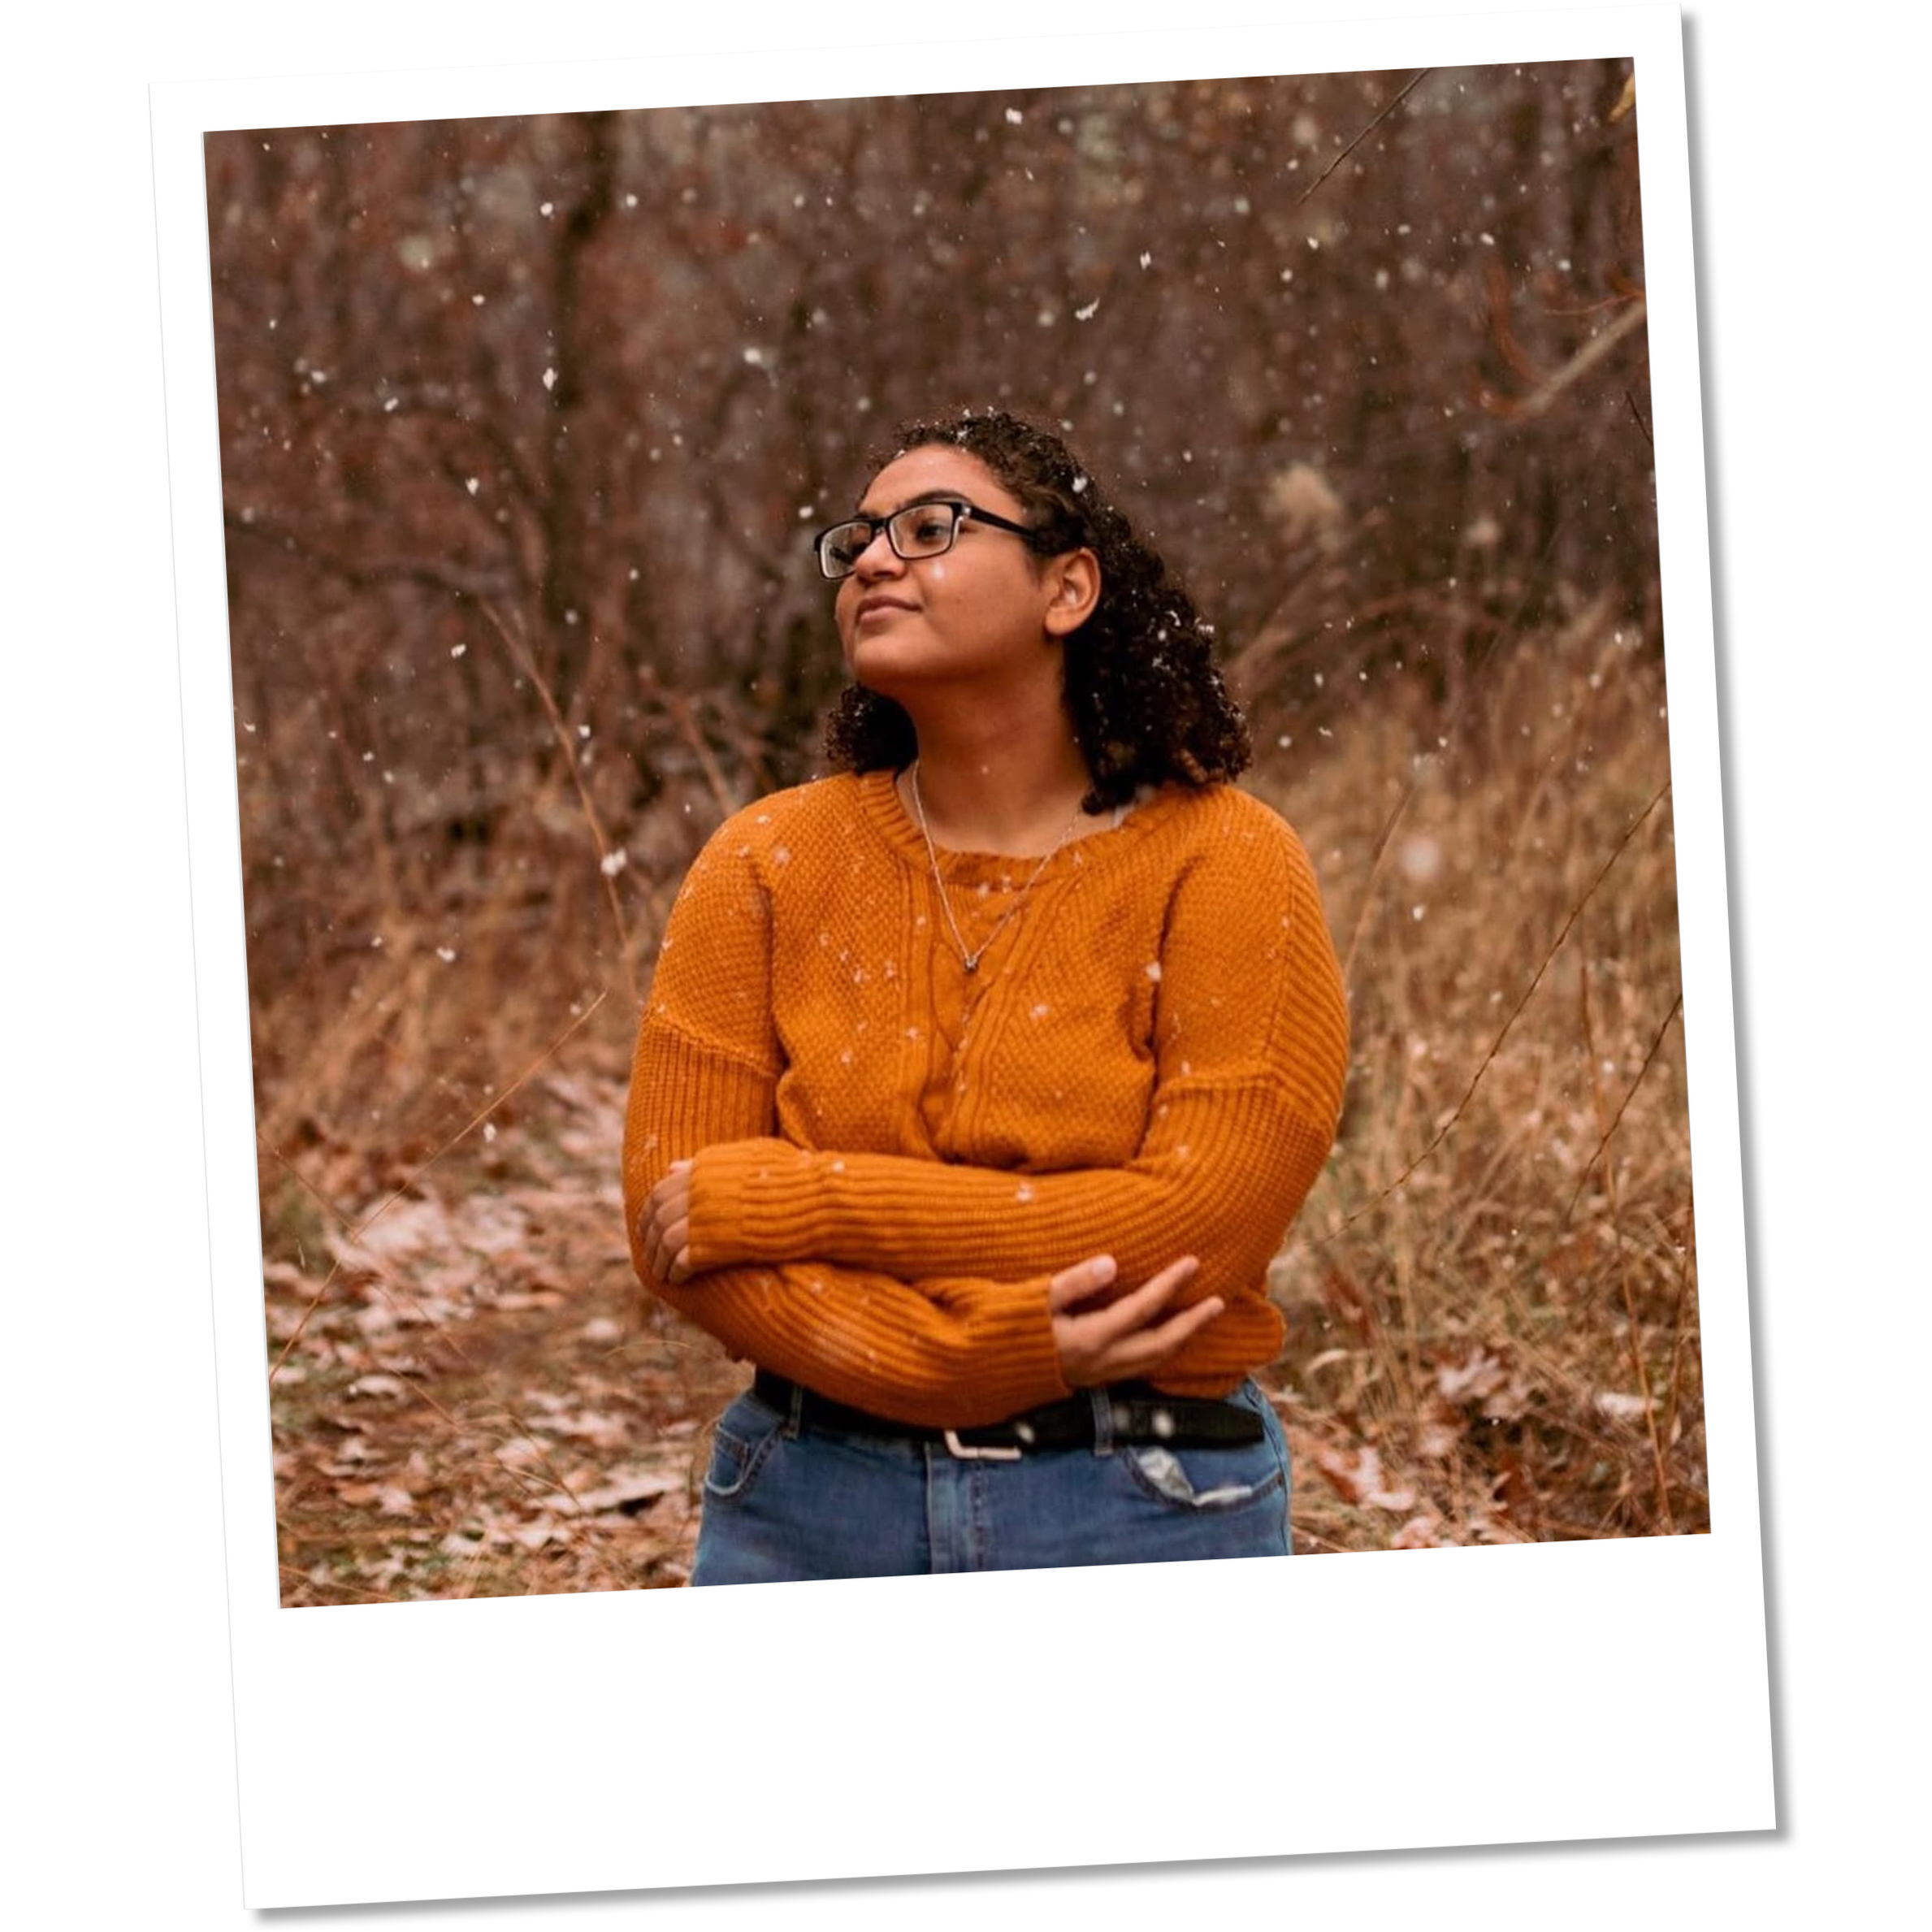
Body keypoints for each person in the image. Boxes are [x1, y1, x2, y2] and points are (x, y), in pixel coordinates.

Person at [622, 408, 1349, 1583]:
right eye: (860, 537)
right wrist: (962, 1363)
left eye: (928, 528)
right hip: (809, 1500)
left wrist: (799, 1198)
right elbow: (677, 1228)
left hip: (1142, 1498)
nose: (872, 559)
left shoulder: (1227, 860)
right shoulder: (764, 860)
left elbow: (1195, 1228)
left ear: (1068, 589)